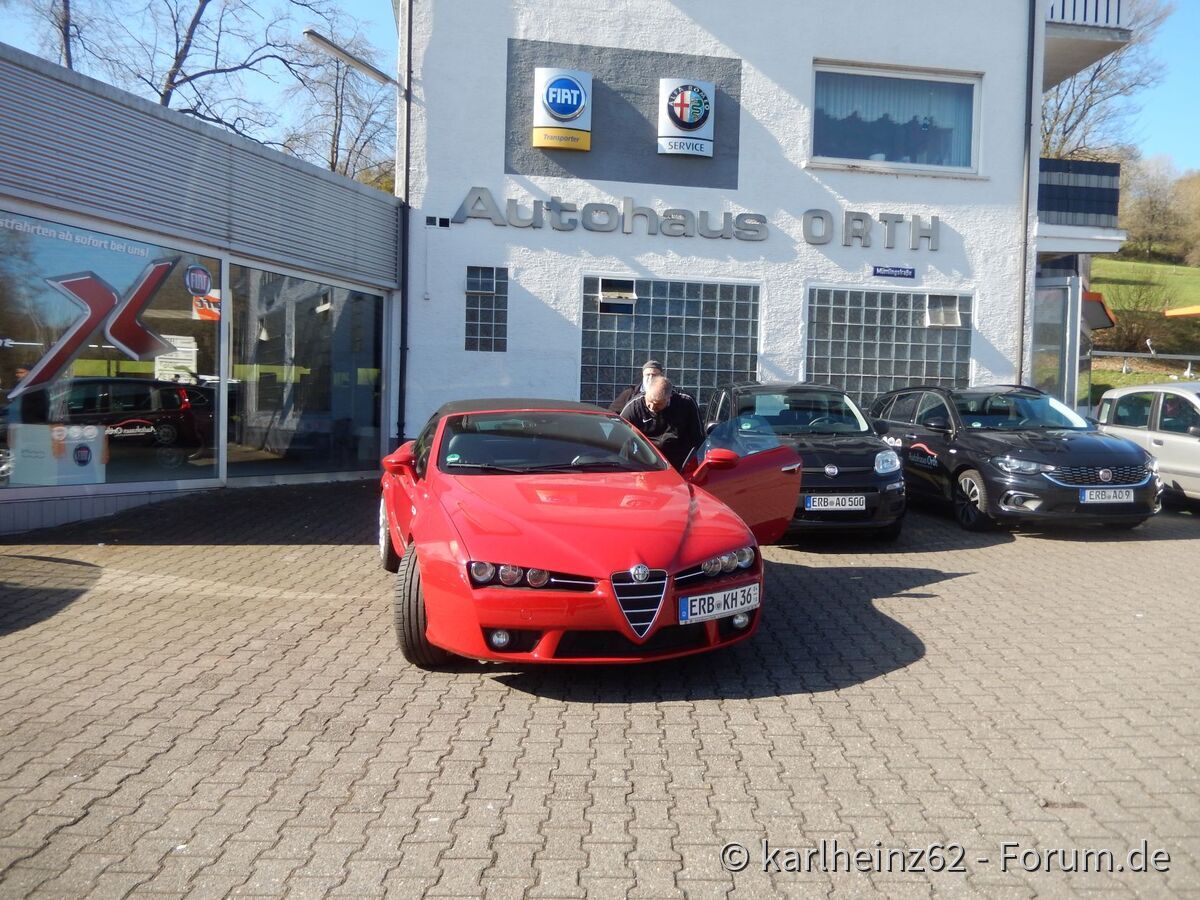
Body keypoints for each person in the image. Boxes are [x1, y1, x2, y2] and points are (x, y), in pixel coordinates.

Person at [620, 375, 704, 471]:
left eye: (657, 404)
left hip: (680, 463)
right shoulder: (634, 407)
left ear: (669, 398)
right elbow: (618, 434)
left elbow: (698, 437)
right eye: (649, 401)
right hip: (646, 462)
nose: (651, 407)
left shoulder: (686, 402)